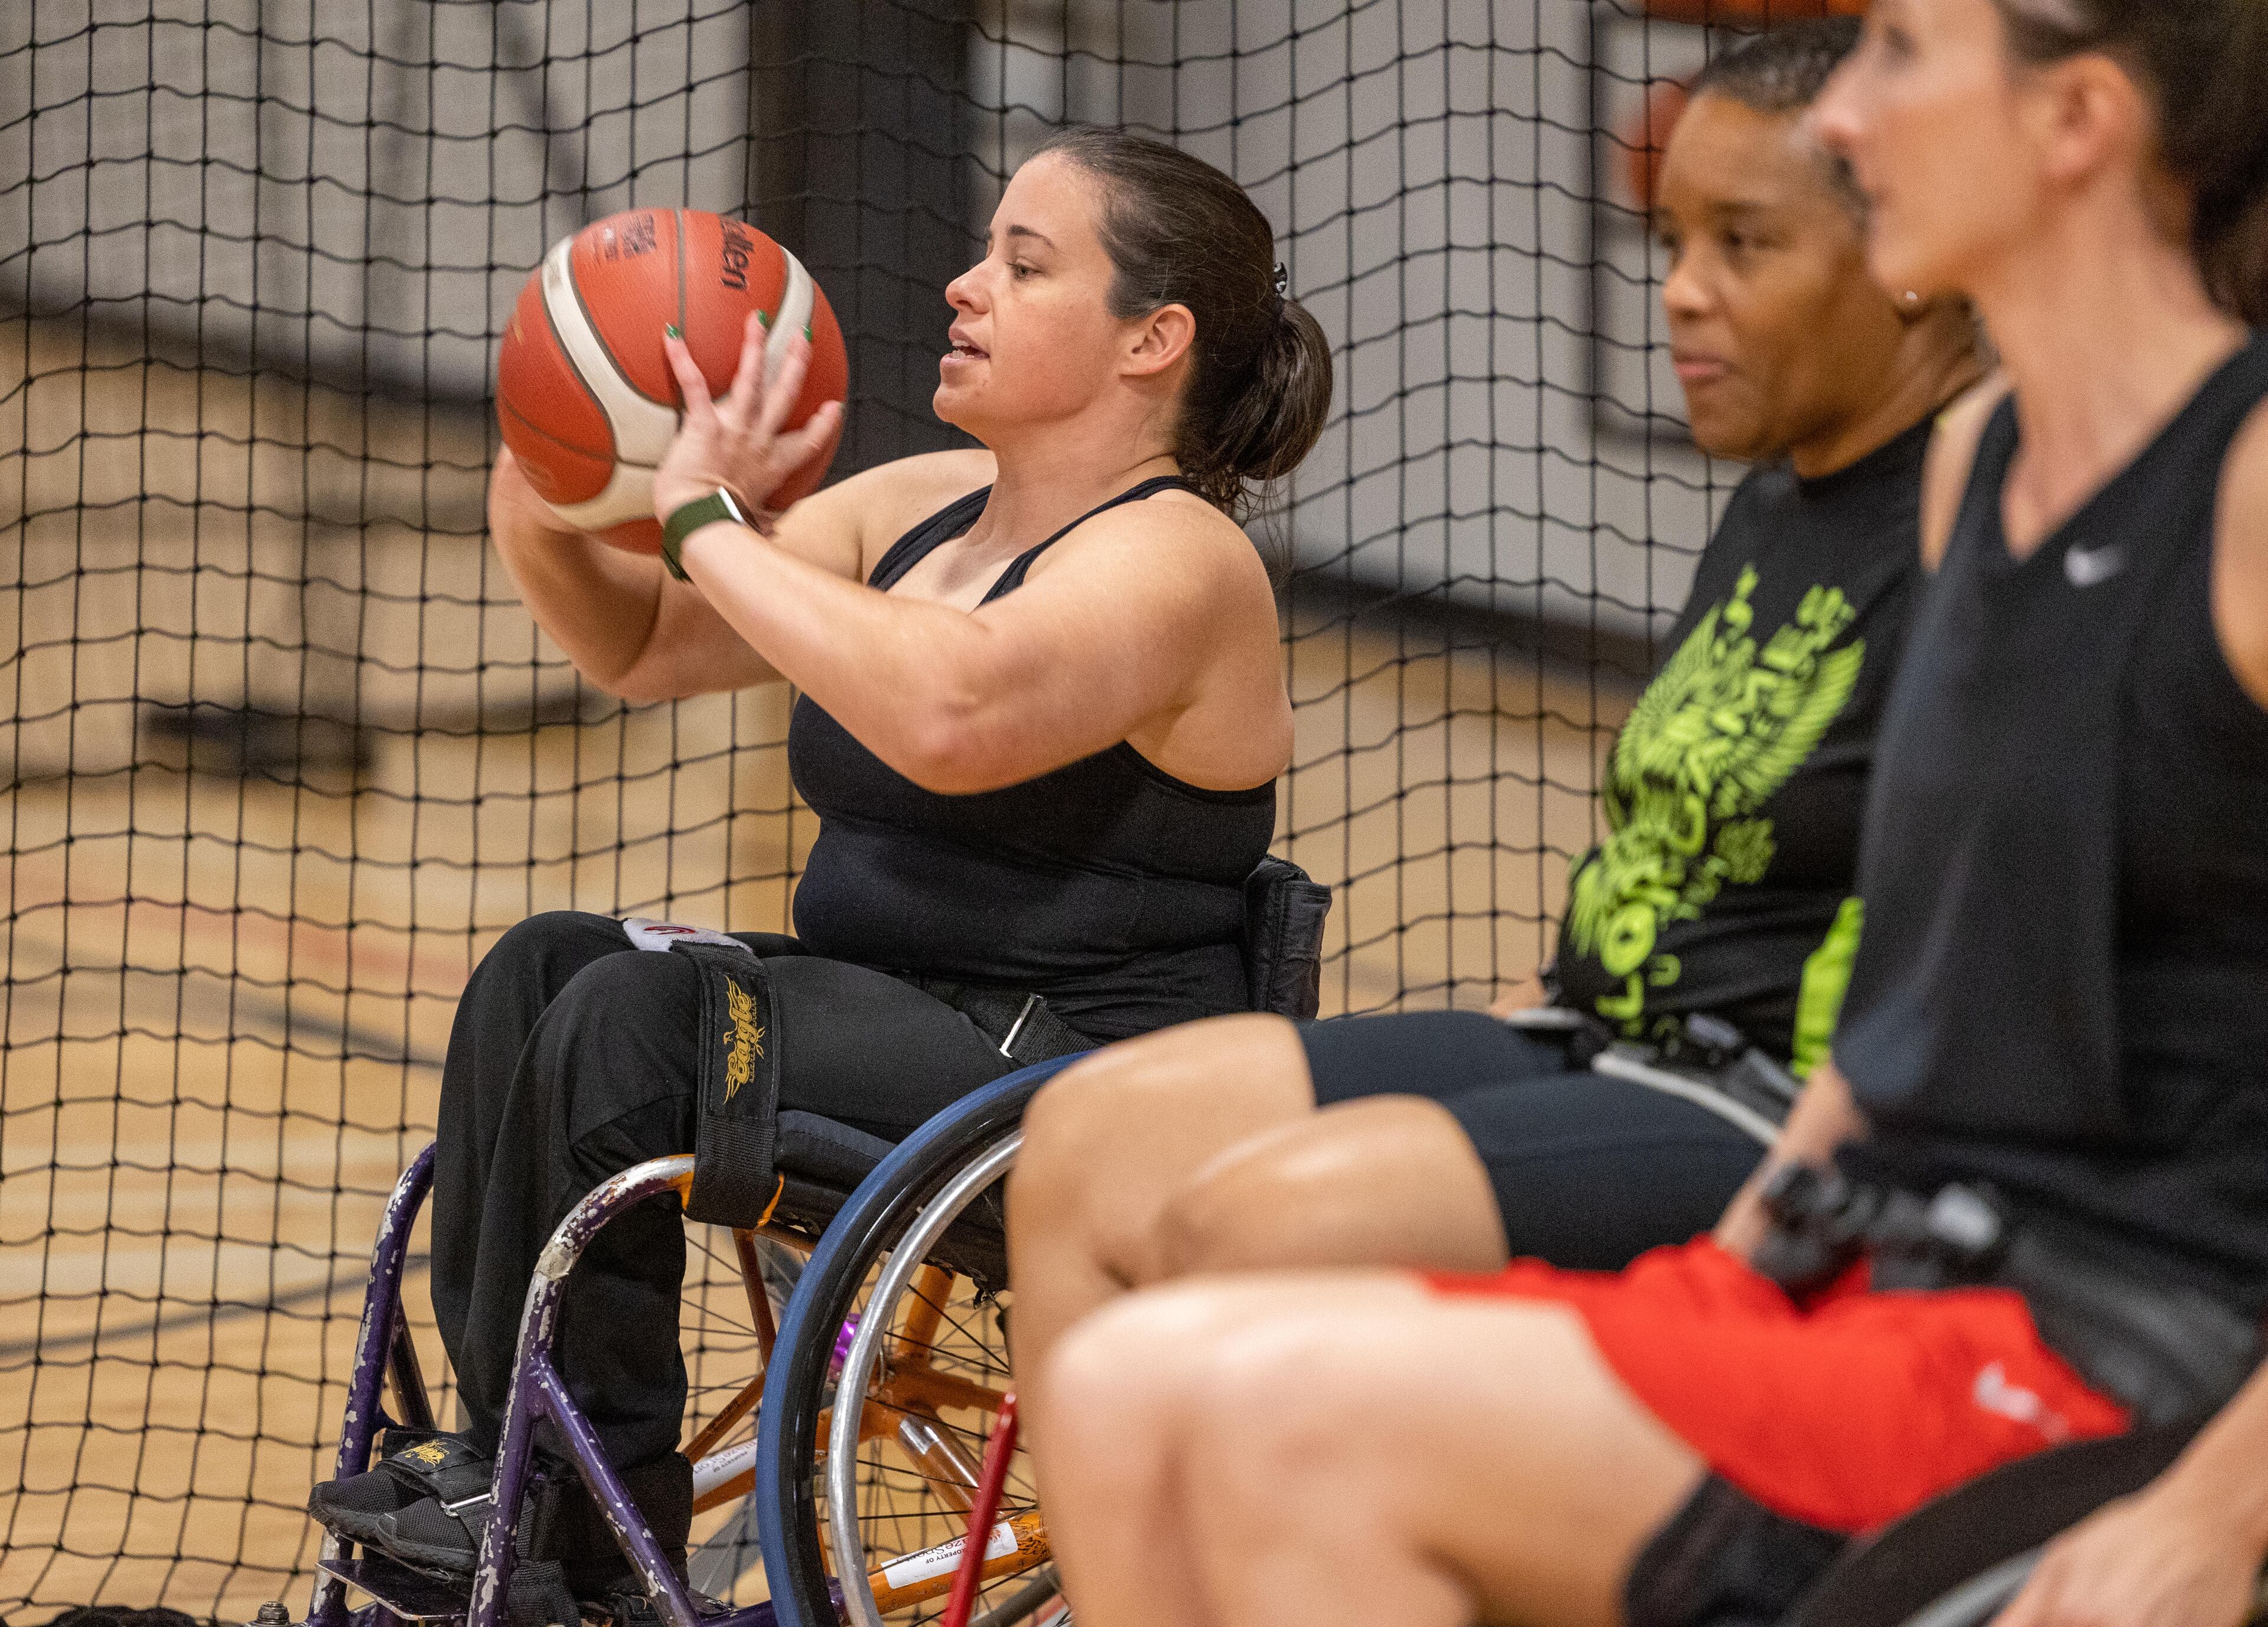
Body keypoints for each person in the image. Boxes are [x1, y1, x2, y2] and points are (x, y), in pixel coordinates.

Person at [1032, 2, 2268, 1624]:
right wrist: (1753, 1254)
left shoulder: (2245, 481)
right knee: (1127, 1391)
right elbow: (1921, 985)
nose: (1851, 117)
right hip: (1878, 1257)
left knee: (1284, 1432)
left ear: (2076, 122)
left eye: (1901, 51)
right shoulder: (1989, 466)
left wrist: (2222, 1512)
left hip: (2124, 1345)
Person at [304, 127, 1333, 1600]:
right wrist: (549, 488)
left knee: (632, 1026)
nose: (965, 286)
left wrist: (708, 519)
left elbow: (952, 710)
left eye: (1023, 266)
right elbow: (647, 642)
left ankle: (577, 1555)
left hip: (1075, 1087)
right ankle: (503, 1463)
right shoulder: (917, 506)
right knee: (550, 964)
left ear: (1150, 341)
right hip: (897, 1018)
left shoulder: (1183, 560)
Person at [1008, 19, 1986, 1417]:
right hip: (1600, 1036)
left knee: (1256, 1227)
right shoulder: (1786, 490)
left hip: (1771, 1108)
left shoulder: (1978, 515)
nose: (1684, 296)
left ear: (1907, 256)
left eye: (1744, 246)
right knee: (1089, 1132)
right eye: (1672, 246)